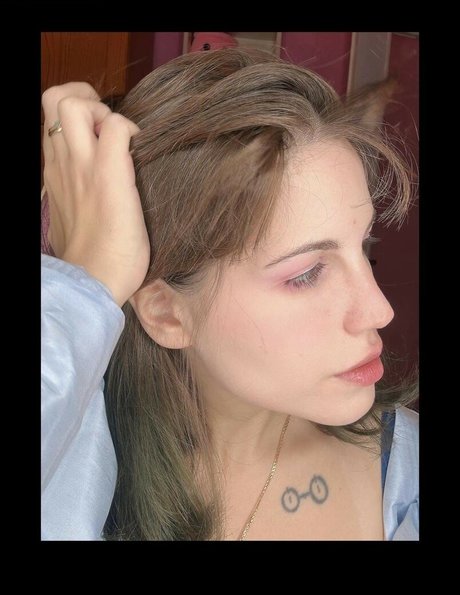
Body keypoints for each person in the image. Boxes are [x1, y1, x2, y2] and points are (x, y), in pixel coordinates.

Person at [41, 48, 419, 541]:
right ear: (166, 313)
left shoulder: (404, 475)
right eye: (306, 274)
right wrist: (89, 285)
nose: (379, 310)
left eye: (364, 247)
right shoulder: (67, 470)